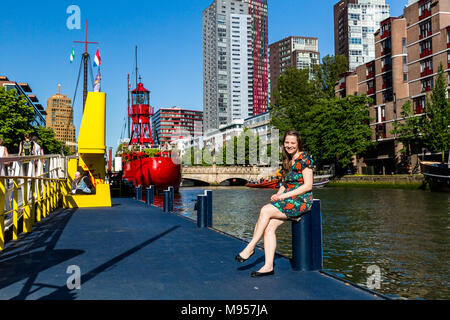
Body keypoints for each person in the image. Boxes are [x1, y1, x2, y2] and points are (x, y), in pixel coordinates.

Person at [235, 130, 314, 277]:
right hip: (289, 198)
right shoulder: (288, 160)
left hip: (302, 200)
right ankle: (268, 266)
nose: (289, 145)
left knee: (265, 210)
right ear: (283, 143)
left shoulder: (305, 159)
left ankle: (251, 246)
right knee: (269, 228)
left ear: (298, 144)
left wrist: (283, 196)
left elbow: (308, 186)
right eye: (287, 142)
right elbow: (285, 183)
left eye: (292, 143)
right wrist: (278, 194)